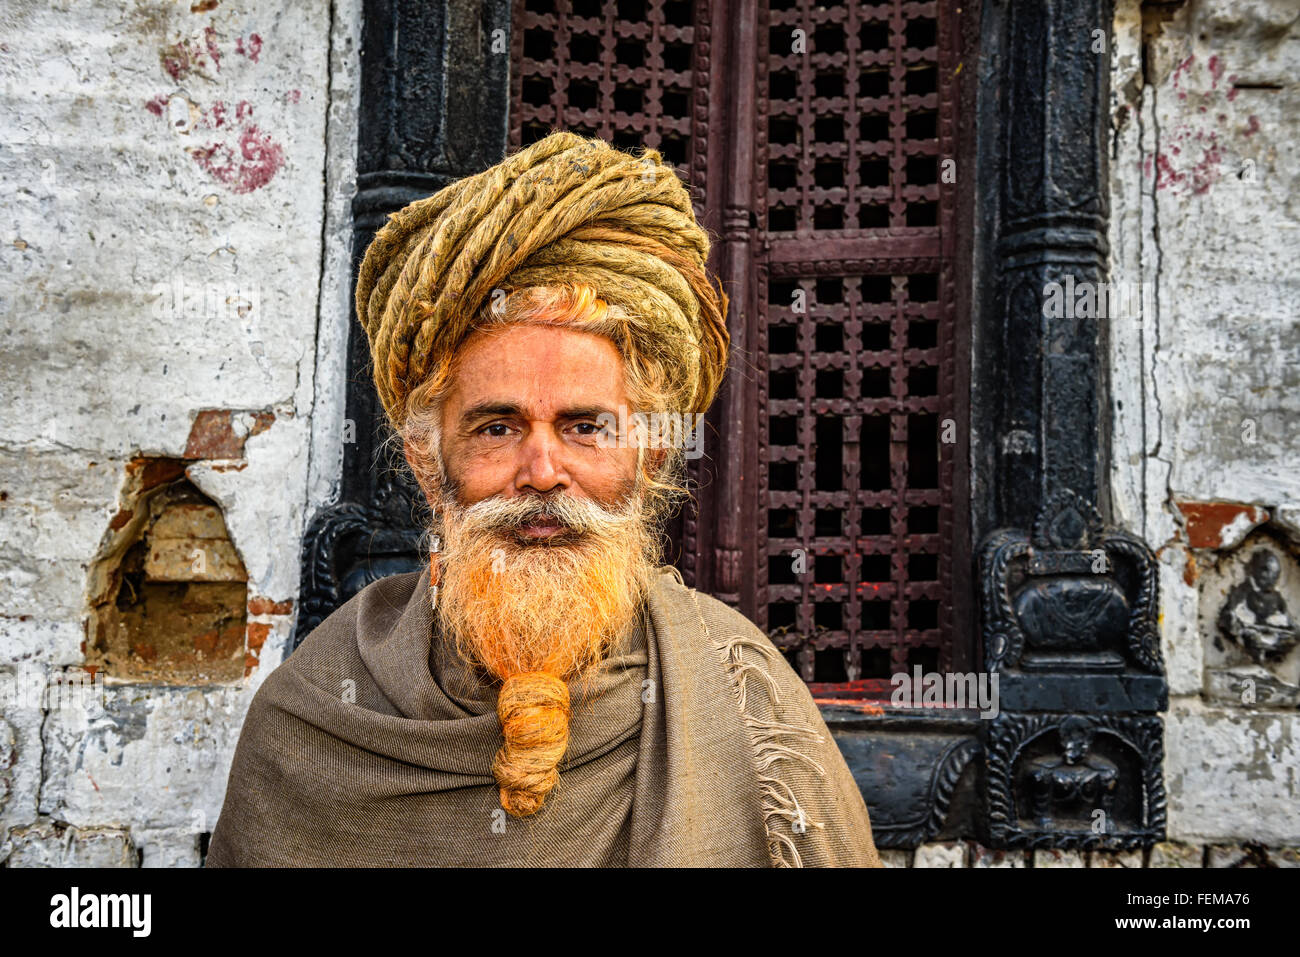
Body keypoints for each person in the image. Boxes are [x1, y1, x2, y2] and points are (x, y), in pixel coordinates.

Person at [206, 130, 882, 867]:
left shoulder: (742, 696)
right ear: (429, 463)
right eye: (497, 427)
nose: (542, 470)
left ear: (649, 453)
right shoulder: (317, 711)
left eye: (584, 427)